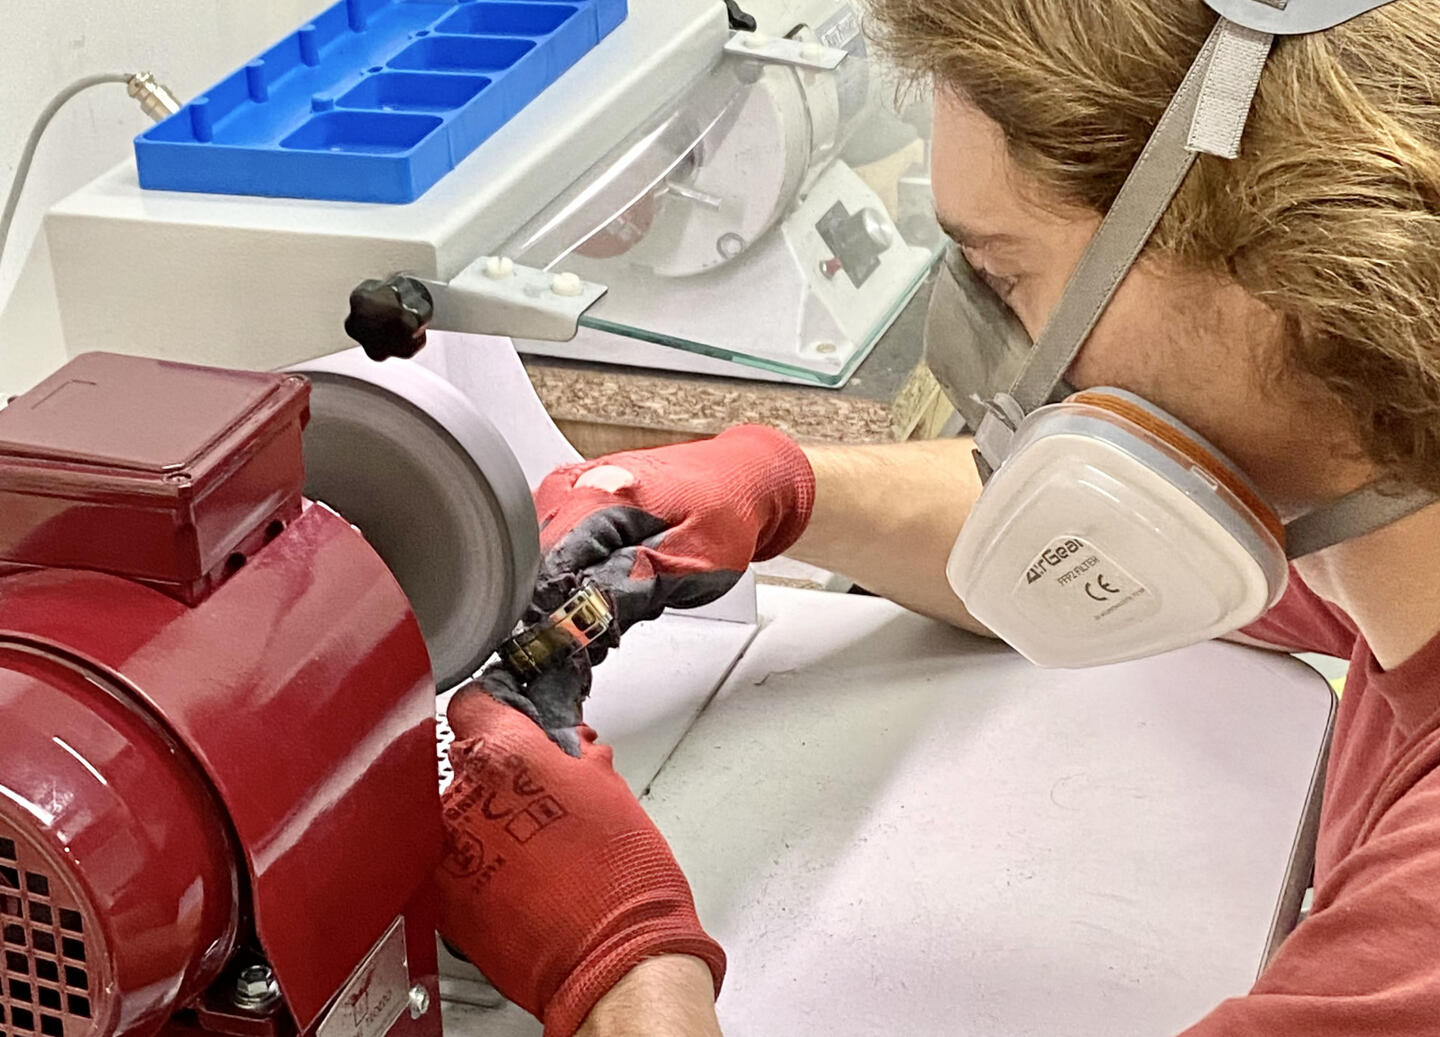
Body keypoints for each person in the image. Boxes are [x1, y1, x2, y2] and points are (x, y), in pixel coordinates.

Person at [435, 0, 1440, 1033]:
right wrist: (776, 490)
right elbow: (1069, 550)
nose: (992, 342)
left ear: (1298, 265)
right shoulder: (1387, 526)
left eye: (1007, 277)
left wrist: (620, 968)